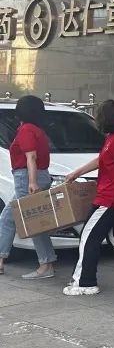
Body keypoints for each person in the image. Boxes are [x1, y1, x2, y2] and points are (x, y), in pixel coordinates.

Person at [62, 100, 114, 296]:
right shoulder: (112, 138)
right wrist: (76, 173)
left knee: (88, 237)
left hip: (110, 199)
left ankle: (85, 283)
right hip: (111, 198)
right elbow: (101, 161)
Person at [0, 95, 57, 279]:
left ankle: (46, 264)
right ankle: (1, 259)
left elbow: (31, 157)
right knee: (9, 218)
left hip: (27, 178)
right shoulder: (38, 131)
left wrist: (32, 182)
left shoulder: (26, 130)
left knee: (33, 222)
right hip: (37, 175)